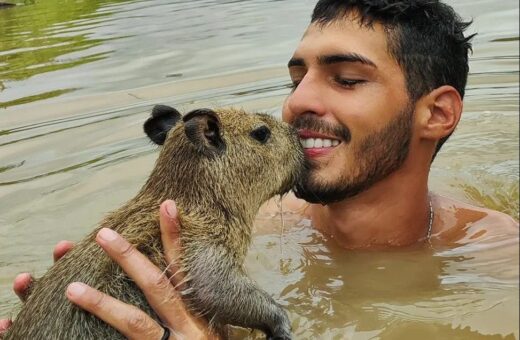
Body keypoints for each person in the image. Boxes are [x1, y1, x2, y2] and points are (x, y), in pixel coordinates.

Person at [1, 0, 518, 338]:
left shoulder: (500, 260)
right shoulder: (265, 221)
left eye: (346, 78)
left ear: (438, 113)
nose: (297, 103)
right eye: (296, 78)